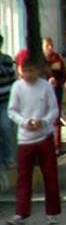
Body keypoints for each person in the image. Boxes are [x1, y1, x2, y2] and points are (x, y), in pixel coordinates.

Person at [7, 55, 61, 225]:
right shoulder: (17, 87)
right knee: (24, 178)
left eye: (31, 70)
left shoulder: (45, 86)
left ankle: (52, 212)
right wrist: (25, 122)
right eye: (25, 71)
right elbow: (12, 111)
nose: (28, 75)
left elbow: (54, 109)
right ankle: (21, 213)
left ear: (37, 70)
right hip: (25, 138)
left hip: (44, 136)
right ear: (19, 71)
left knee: (50, 175)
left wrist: (43, 121)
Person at [42, 37, 66, 155]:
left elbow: (64, 75)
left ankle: (57, 146)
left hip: (56, 92)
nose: (50, 48)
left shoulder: (57, 58)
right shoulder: (40, 60)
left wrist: (58, 82)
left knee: (55, 119)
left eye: (51, 45)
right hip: (42, 94)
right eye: (47, 46)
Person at [0, 34, 16, 171]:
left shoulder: (6, 60)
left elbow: (12, 78)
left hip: (5, 100)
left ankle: (9, 157)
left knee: (5, 127)